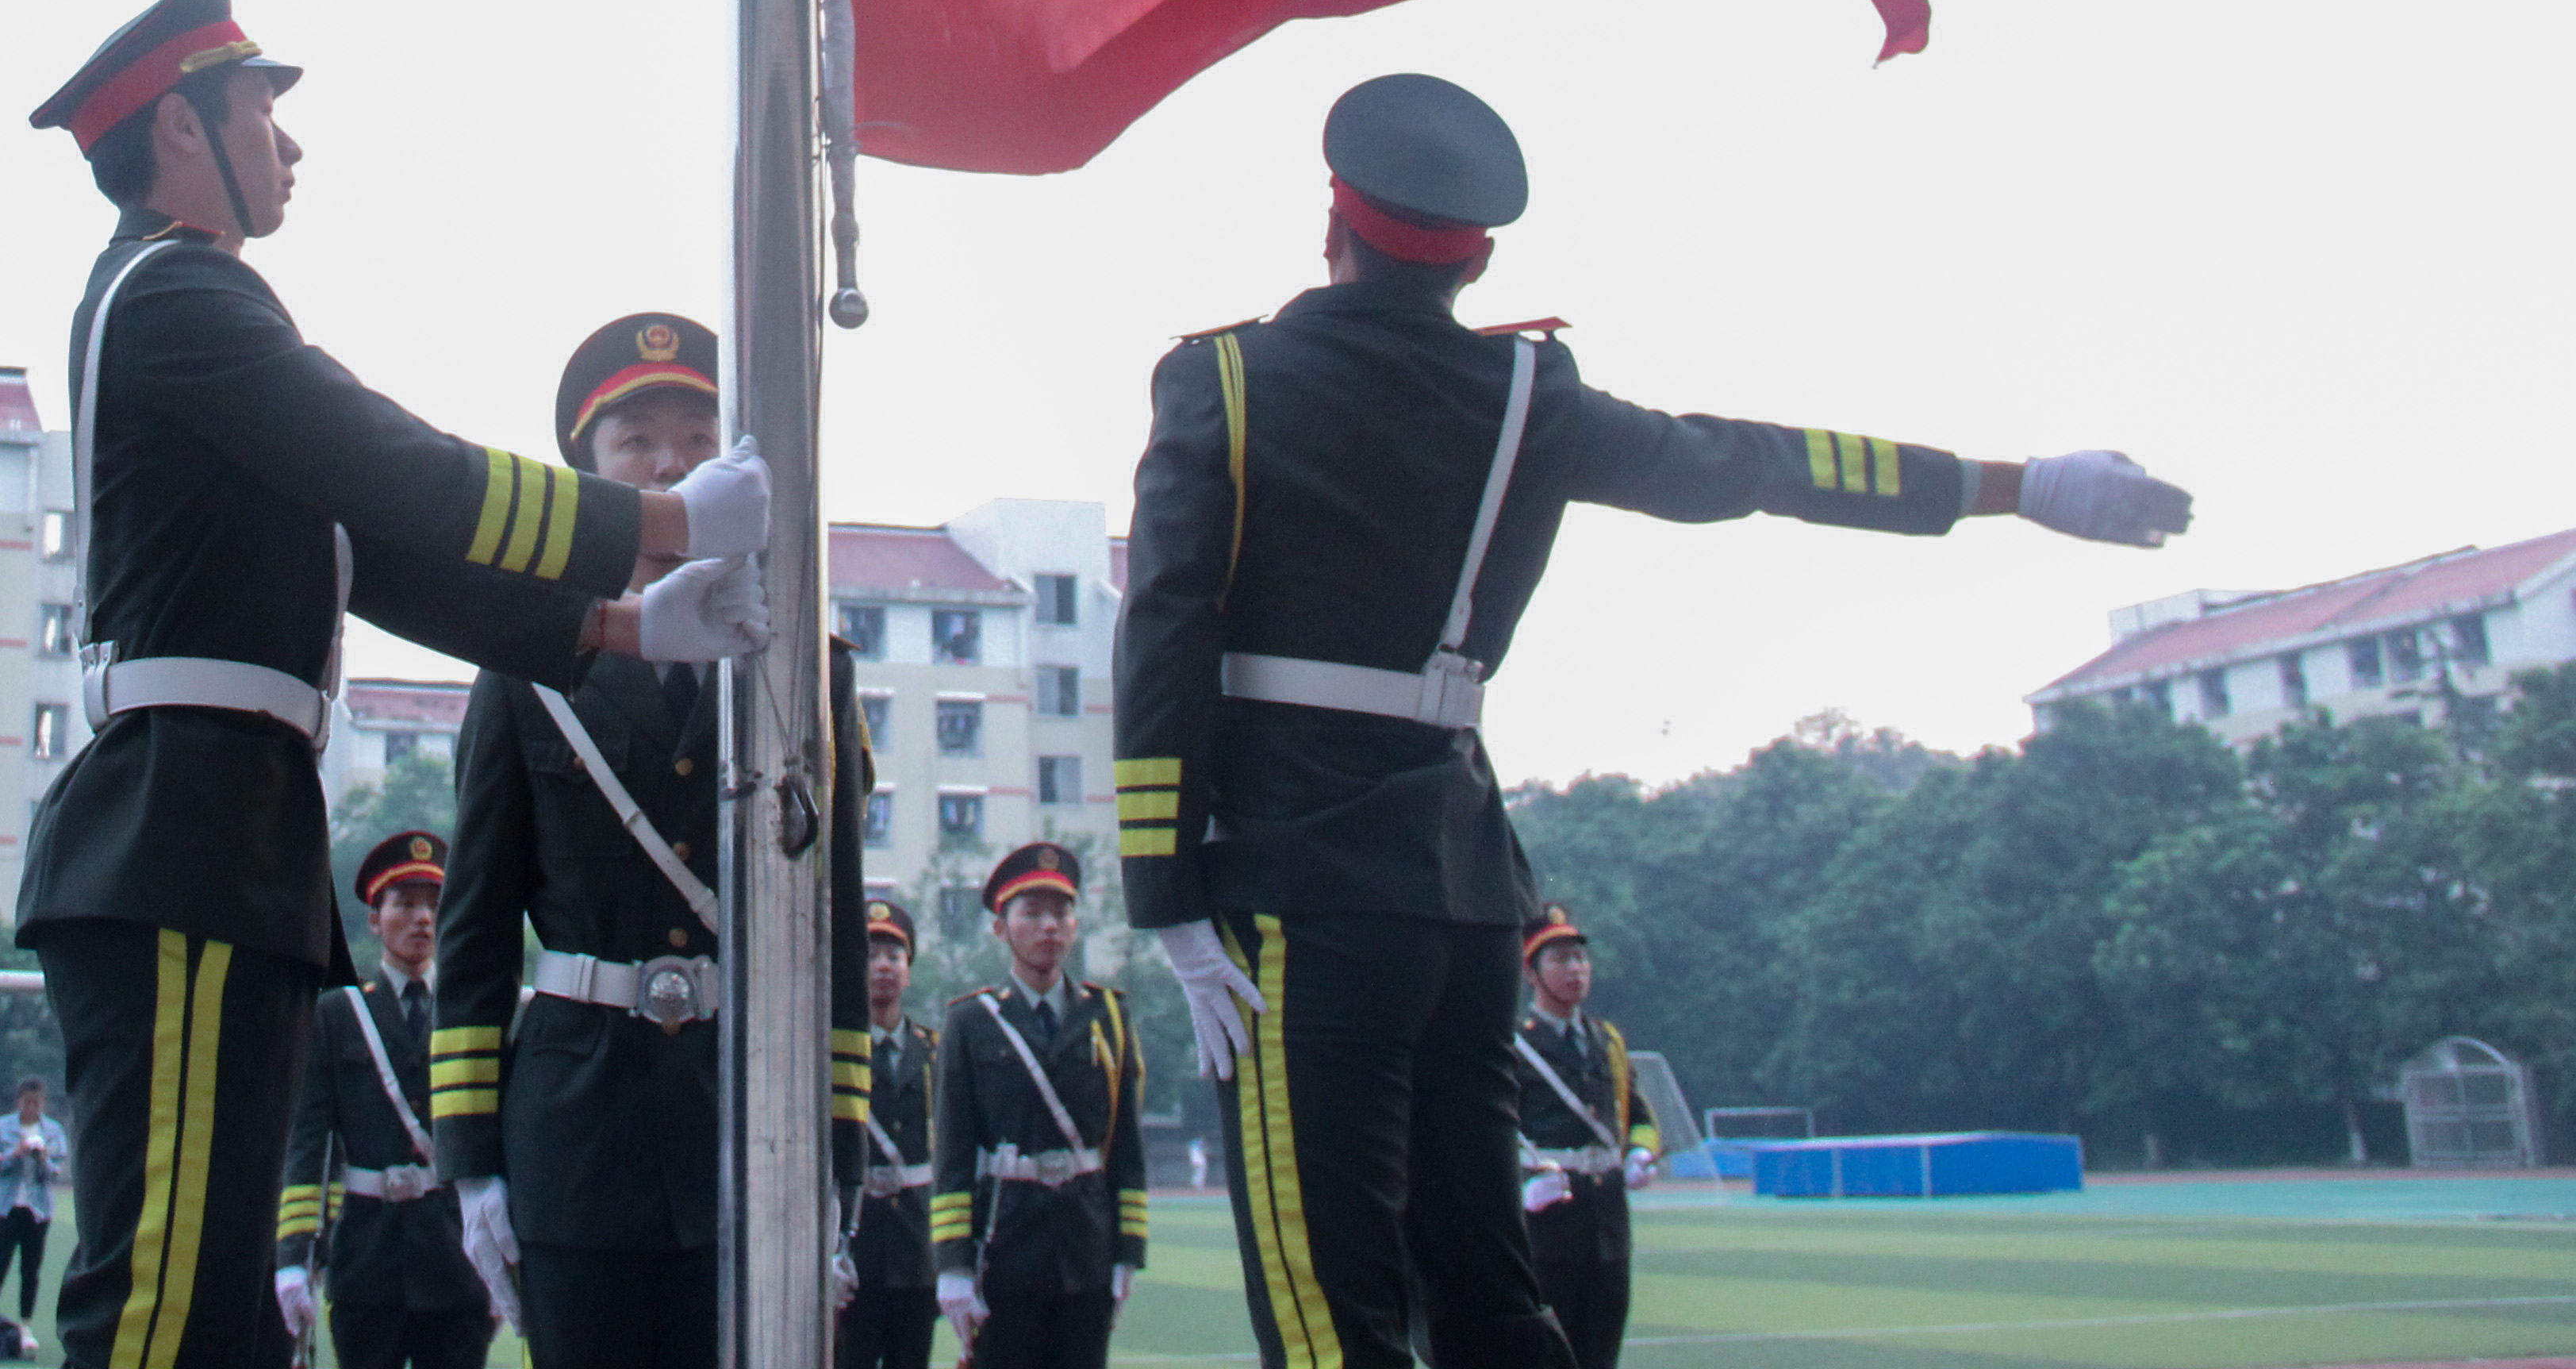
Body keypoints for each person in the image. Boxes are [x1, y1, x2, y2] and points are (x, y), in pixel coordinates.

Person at [1113, 71, 2202, 1369]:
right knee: (1488, 1294)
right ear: (1479, 259)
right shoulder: (1528, 396)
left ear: (1331, 223)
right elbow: (1746, 463)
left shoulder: (1226, 381)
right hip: (1467, 898)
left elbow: (1166, 628)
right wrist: (2016, 485)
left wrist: (1166, 896)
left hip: (1301, 893)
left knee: (1327, 1318)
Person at [13, 0, 775, 1369]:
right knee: (165, 1300)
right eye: (261, 111)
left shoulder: (197, 309)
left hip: (219, 831)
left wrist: (621, 625)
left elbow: (377, 551)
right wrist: (661, 526)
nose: (290, 144)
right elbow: (400, 468)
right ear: (181, 126)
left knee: (217, 1307)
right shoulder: (177, 293)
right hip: (181, 828)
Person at [432, 312, 864, 1369]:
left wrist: (840, 1150)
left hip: (748, 1126)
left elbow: (838, 924)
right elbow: (474, 925)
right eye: (636, 442)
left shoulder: (804, 666)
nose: (671, 464)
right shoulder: (527, 662)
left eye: (698, 437)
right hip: (574, 1138)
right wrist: (471, 1159)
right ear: (588, 473)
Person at [274, 837, 486, 1369]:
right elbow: (309, 1141)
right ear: (375, 920)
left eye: (434, 905)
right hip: (367, 1260)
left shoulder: (468, 1009)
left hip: (456, 1259)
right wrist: (295, 1256)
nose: (422, 919)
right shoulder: (337, 1015)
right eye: (405, 904)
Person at [931, 846, 1144, 1369]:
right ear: (1000, 928)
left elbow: (1125, 1145)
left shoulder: (1109, 1016)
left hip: (1086, 1252)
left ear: (1075, 925)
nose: (1049, 926)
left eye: (1061, 912)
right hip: (1004, 1250)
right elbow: (953, 1151)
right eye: (1032, 913)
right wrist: (954, 1265)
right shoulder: (971, 1022)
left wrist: (1128, 1251)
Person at [1505, 909, 1655, 1369]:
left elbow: (1637, 1114)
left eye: (1580, 959)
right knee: (1550, 1352)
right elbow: (1493, 1132)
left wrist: (1640, 1152)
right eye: (1561, 960)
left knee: (1602, 1350)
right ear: (1532, 973)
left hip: (1607, 1221)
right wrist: (1523, 1185)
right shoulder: (1514, 1045)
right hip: (1547, 1224)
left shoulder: (1607, 1041)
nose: (1575, 970)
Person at [837, 898, 939, 1369]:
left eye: (894, 956)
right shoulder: (830, 1051)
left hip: (917, 1250)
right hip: (854, 1250)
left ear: (909, 970)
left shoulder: (935, 1052)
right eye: (871, 955)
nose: (883, 966)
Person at [0, 1082, 63, 1339]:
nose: (32, 1108)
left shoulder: (53, 1131)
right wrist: (14, 1153)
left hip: (38, 1212)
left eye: (37, 1103)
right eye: (27, 1102)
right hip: (7, 1208)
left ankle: (25, 1324)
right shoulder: (1, 1127)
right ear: (18, 1102)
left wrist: (42, 1159)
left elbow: (54, 1173)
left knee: (30, 1271)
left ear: (43, 1104)